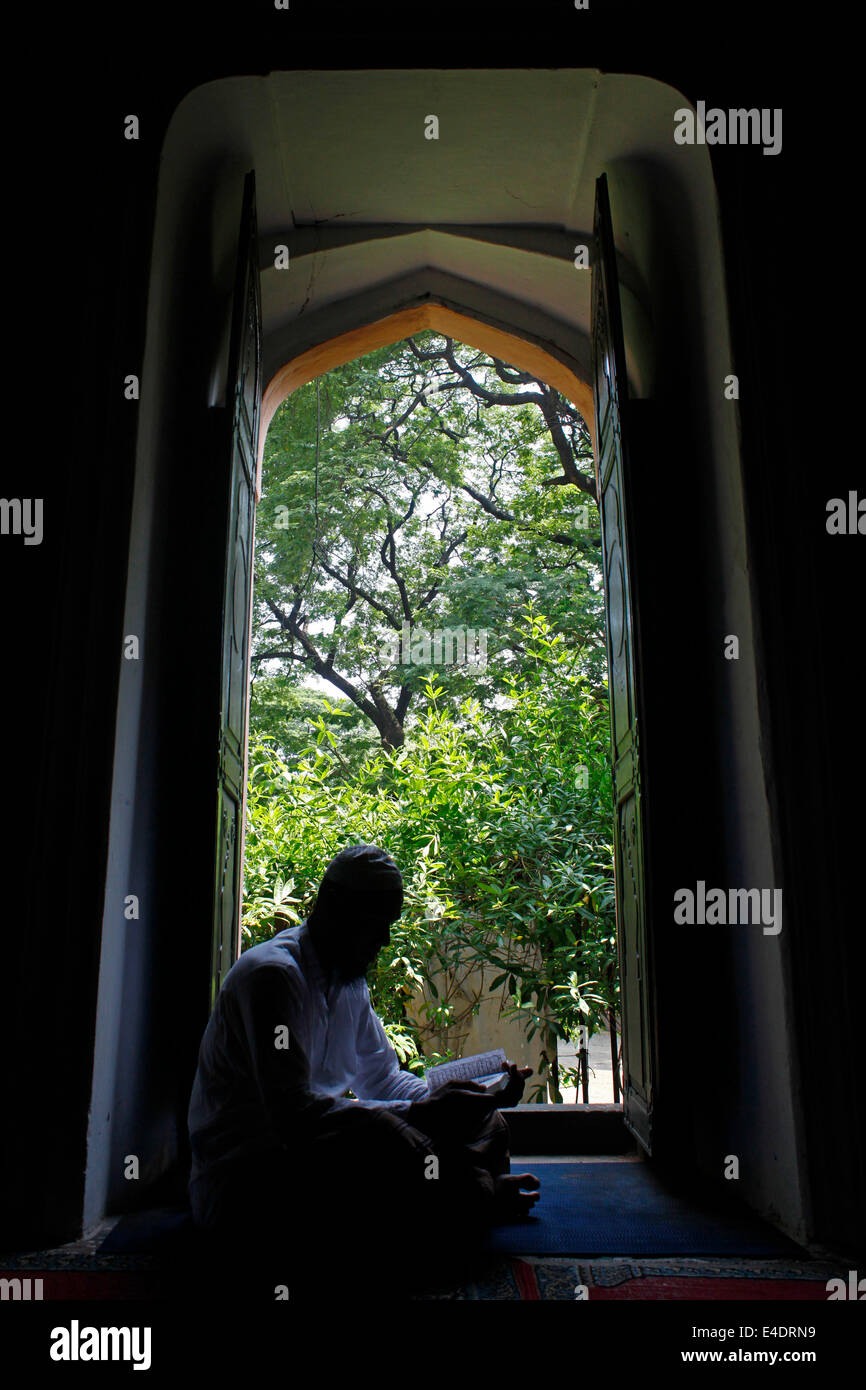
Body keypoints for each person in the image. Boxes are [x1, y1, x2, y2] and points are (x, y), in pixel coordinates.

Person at [187, 844, 540, 1296]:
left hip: (324, 1156)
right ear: (336, 908)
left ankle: (470, 1194)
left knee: (489, 1123)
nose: (387, 941)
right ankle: (478, 1196)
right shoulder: (273, 978)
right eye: (379, 924)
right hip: (253, 1180)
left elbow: (385, 1079)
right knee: (384, 1133)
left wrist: (468, 1095)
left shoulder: (347, 981)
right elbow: (295, 1118)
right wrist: (424, 1115)